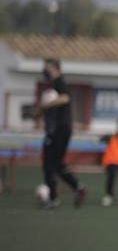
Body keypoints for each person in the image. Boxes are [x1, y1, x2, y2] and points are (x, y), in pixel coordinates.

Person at [34, 58, 85, 208]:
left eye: (48, 68)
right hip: (57, 129)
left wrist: (45, 105)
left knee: (49, 164)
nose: (45, 71)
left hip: (59, 130)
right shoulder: (52, 86)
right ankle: (78, 188)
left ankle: (53, 198)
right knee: (56, 164)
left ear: (56, 69)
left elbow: (65, 98)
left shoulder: (59, 82)